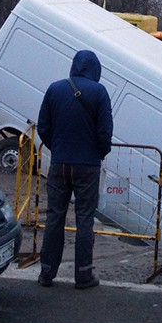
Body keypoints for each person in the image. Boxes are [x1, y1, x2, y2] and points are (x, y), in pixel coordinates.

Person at [36, 50, 114, 289]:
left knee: (54, 217)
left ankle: (47, 273)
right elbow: (105, 133)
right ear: (96, 69)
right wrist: (98, 153)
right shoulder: (99, 92)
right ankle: (83, 275)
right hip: (88, 166)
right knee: (84, 219)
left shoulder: (54, 89)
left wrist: (57, 149)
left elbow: (43, 128)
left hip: (59, 164)